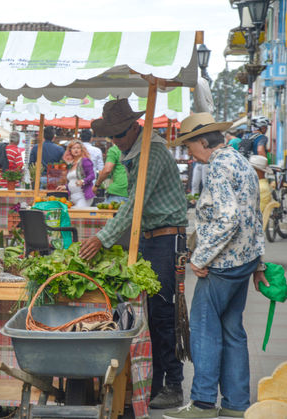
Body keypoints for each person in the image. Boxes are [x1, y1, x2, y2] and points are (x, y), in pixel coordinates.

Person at [80, 99, 188, 409]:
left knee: (165, 315)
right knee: (152, 315)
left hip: (167, 241)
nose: (114, 142)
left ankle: (173, 385)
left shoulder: (150, 154)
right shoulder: (136, 151)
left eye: (118, 136)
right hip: (152, 239)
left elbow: (134, 206)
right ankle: (153, 383)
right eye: (111, 137)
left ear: (134, 128)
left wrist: (103, 238)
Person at [163, 113, 264, 419]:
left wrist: (200, 256)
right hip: (243, 261)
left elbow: (228, 218)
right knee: (233, 330)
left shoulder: (219, 167)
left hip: (222, 263)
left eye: (189, 145)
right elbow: (254, 214)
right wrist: (258, 261)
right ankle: (235, 403)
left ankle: (204, 402)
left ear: (203, 142)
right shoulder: (240, 160)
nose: (189, 153)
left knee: (205, 331)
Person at [57, 140, 95, 207]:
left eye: (78, 148)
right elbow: (72, 180)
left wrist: (83, 181)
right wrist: (65, 186)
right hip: (73, 197)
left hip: (83, 196)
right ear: (70, 150)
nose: (76, 150)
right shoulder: (71, 163)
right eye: (73, 148)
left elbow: (92, 175)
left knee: (79, 216)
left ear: (81, 150)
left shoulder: (85, 161)